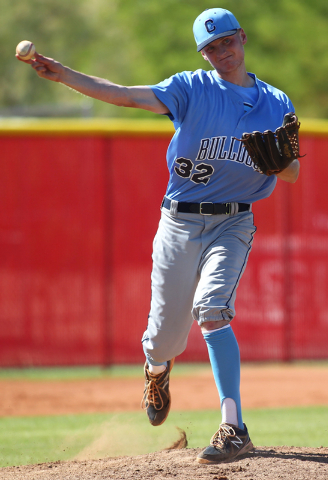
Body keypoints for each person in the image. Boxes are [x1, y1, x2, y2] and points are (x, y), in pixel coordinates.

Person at [18, 8, 300, 464]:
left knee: (212, 309)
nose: (221, 51)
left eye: (227, 41)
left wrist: (280, 164)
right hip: (180, 223)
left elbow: (292, 173)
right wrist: (64, 75)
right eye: (210, 47)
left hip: (233, 222)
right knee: (165, 336)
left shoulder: (276, 101)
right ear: (202, 54)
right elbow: (125, 96)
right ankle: (156, 369)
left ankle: (235, 426)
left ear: (242, 38)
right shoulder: (192, 87)